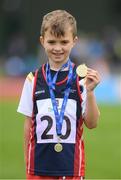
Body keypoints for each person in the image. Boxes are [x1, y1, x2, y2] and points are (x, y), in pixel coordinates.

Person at [17, 10, 100, 180]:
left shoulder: (82, 79)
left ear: (74, 42)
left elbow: (92, 123)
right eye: (51, 41)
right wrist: (28, 161)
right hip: (38, 168)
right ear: (42, 41)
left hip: (71, 168)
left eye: (64, 42)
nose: (57, 48)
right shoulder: (32, 79)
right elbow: (28, 125)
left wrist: (90, 93)